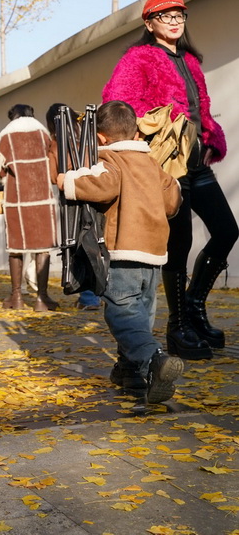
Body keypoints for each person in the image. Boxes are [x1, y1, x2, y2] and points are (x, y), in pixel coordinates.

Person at [103, 0, 237, 359]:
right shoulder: (138, 58)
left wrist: (210, 136)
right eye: (165, 16)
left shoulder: (191, 61)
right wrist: (155, 132)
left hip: (198, 165)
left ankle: (194, 306)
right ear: (149, 23)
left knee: (227, 230)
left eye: (179, 14)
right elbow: (118, 104)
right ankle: (178, 327)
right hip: (168, 167)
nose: (175, 20)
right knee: (178, 246)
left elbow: (201, 109)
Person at [57, 100, 183, 406]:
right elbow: (172, 200)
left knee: (120, 310)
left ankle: (153, 358)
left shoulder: (111, 159)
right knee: (141, 313)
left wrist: (68, 181)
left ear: (100, 137)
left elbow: (103, 186)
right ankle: (131, 372)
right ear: (136, 131)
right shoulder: (152, 163)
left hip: (125, 248)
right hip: (154, 252)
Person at [0, 104, 58, 312]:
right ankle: (41, 298)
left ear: (12, 116)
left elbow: (0, 171)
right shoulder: (43, 132)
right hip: (42, 197)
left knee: (15, 247)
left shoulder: (6, 135)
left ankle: (17, 297)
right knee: (43, 247)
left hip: (16, 199)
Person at [45, 103, 102, 312]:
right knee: (95, 239)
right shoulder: (90, 136)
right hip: (95, 193)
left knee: (77, 245)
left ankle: (88, 297)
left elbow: (54, 176)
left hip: (71, 198)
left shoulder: (56, 143)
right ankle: (98, 292)